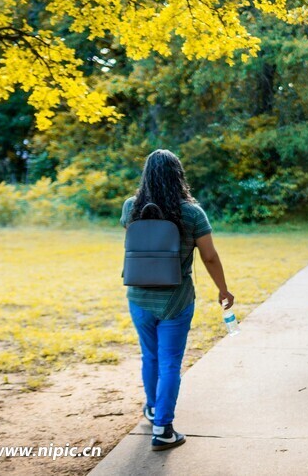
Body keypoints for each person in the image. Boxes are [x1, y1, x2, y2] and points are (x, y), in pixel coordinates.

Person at [121, 149, 235, 451]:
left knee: (150, 357)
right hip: (176, 299)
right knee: (170, 362)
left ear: (147, 175)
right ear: (178, 175)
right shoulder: (192, 213)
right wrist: (223, 289)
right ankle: (163, 429)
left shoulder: (131, 207)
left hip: (139, 296)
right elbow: (209, 257)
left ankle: (153, 409)